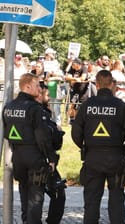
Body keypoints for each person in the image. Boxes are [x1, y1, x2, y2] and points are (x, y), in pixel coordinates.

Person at [71, 69, 125, 223]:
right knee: (116, 199)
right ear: (111, 84)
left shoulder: (87, 105)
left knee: (92, 200)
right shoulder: (121, 107)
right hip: (116, 157)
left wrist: (83, 146)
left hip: (92, 157)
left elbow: (75, 132)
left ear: (97, 84)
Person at [2, 73, 56, 224]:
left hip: (17, 157)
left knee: (24, 195)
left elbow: (7, 133)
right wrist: (51, 159)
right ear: (27, 86)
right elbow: (42, 137)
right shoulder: (34, 108)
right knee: (35, 199)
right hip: (35, 157)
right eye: (37, 85)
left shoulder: (8, 107)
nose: (40, 89)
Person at [36, 83, 66, 224]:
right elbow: (46, 137)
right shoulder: (39, 112)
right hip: (44, 161)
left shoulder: (43, 111)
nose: (49, 98)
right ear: (39, 95)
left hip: (40, 159)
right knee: (57, 192)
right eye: (47, 95)